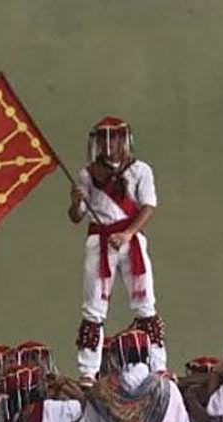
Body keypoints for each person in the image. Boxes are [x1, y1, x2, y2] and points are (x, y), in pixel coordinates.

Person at [66, 117, 166, 382]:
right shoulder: (87, 174)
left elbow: (148, 206)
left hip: (130, 242)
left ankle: (158, 365)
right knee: (94, 308)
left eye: (115, 138)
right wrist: (76, 202)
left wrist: (128, 234)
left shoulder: (140, 170)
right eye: (103, 138)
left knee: (145, 304)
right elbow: (77, 216)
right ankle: (88, 370)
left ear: (124, 140)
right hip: (100, 243)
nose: (109, 144)